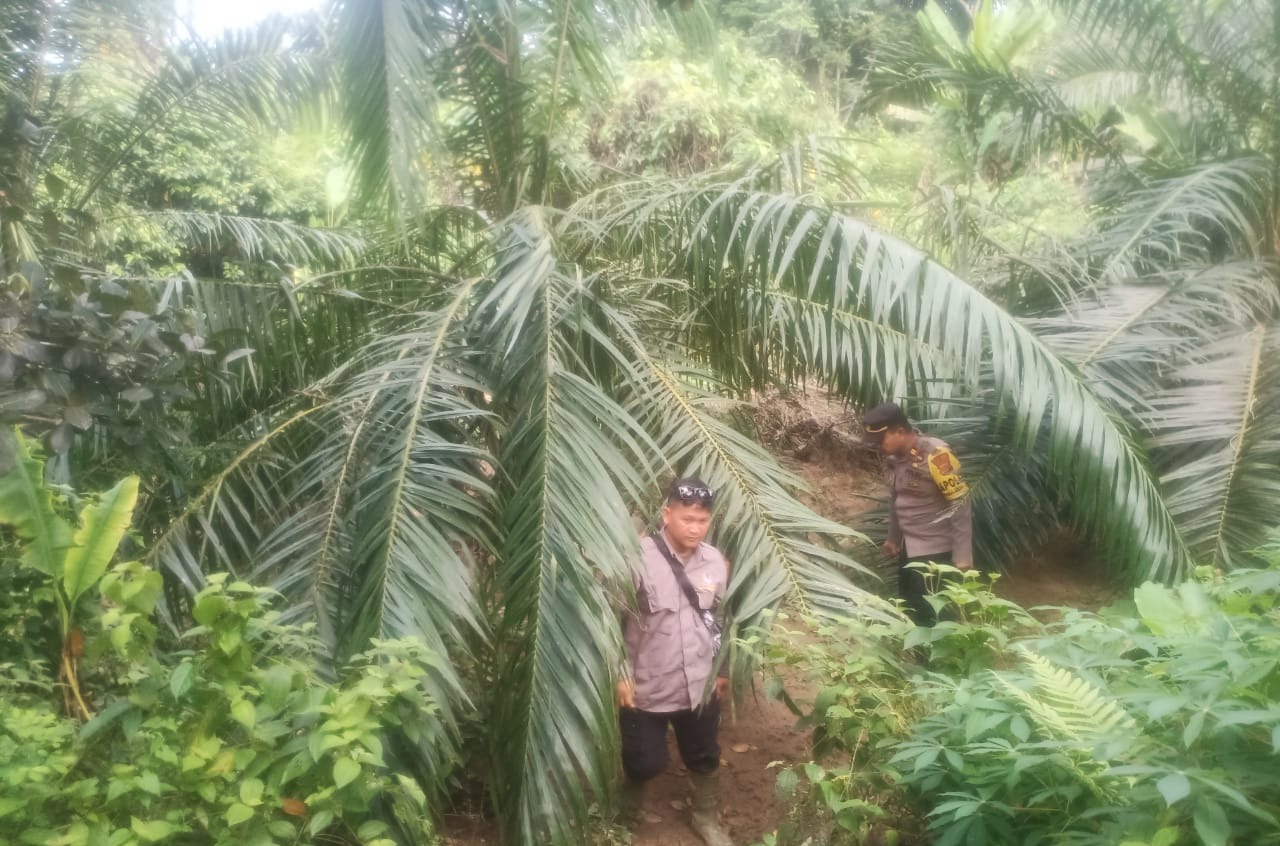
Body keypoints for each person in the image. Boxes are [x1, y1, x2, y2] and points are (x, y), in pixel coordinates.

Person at [616, 477, 733, 846]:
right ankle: (626, 809)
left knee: (704, 754)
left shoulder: (715, 561)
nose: (695, 527)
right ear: (667, 514)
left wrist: (723, 669)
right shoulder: (637, 558)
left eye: (702, 520)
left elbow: (722, 619)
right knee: (644, 761)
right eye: (687, 519)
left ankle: (705, 817)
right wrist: (620, 674)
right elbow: (609, 620)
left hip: (699, 681)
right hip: (647, 684)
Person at [863, 402, 973, 626]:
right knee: (912, 609)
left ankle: (941, 660)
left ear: (900, 432)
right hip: (910, 548)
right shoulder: (895, 459)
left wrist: (962, 555)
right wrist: (893, 538)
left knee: (936, 616)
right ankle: (920, 658)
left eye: (880, 440)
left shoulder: (937, 455)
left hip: (936, 551)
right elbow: (896, 501)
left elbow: (960, 504)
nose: (877, 447)